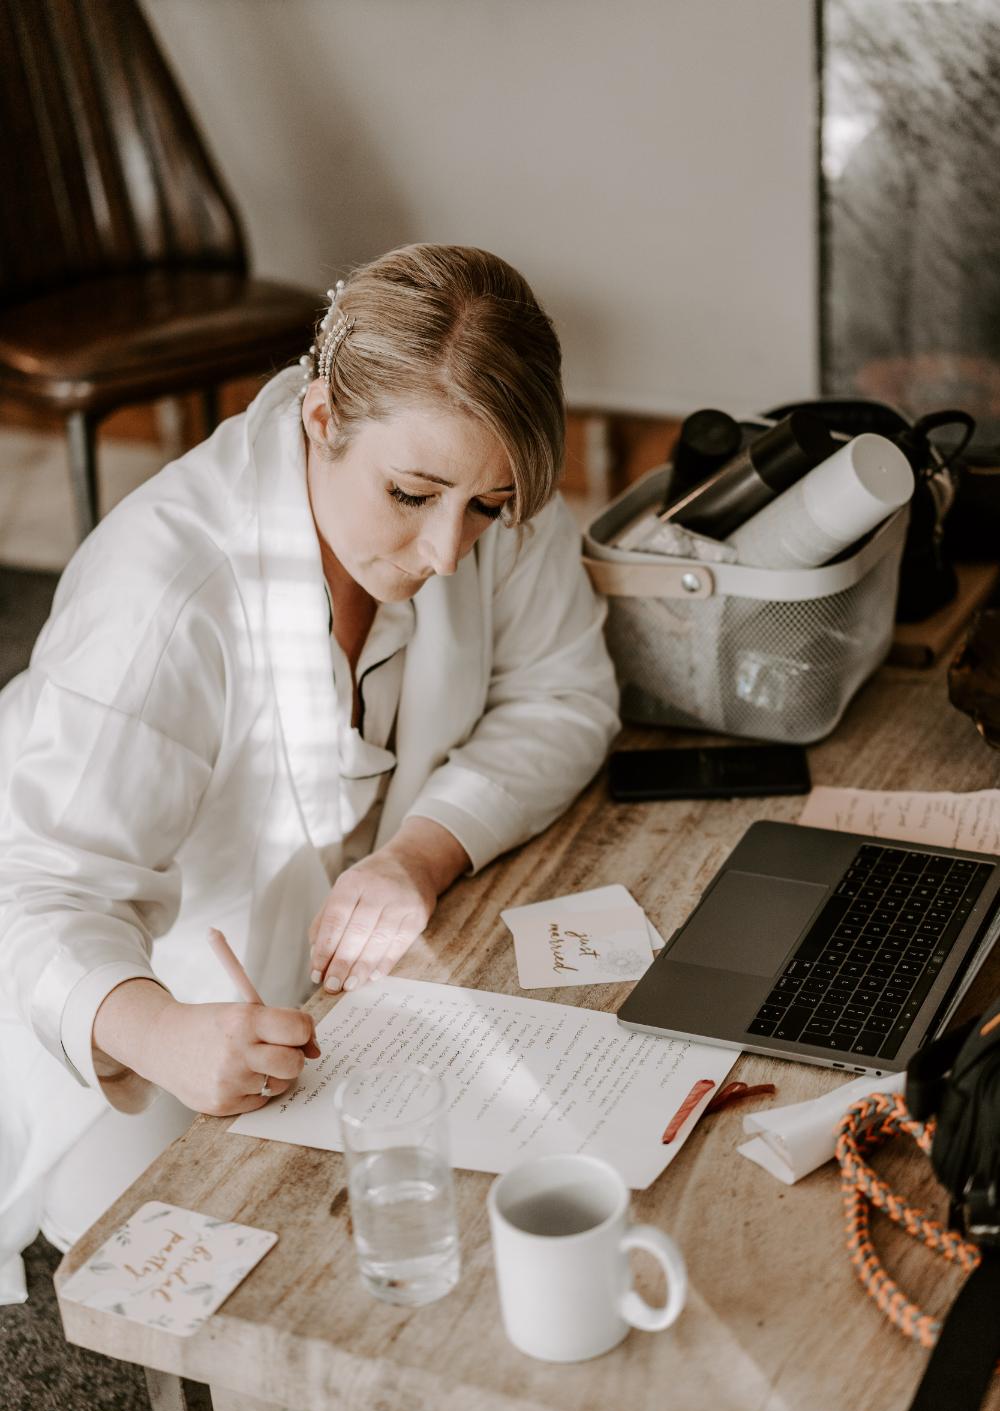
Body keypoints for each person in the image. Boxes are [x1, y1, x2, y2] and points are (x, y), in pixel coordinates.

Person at [0, 243, 620, 1297]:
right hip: (129, 993)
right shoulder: (161, 596)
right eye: (412, 495)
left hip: (358, 969)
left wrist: (422, 853)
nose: (447, 554)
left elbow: (564, 694)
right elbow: (32, 889)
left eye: (487, 507)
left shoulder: (480, 470)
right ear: (321, 416)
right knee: (185, 1242)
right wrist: (162, 1030)